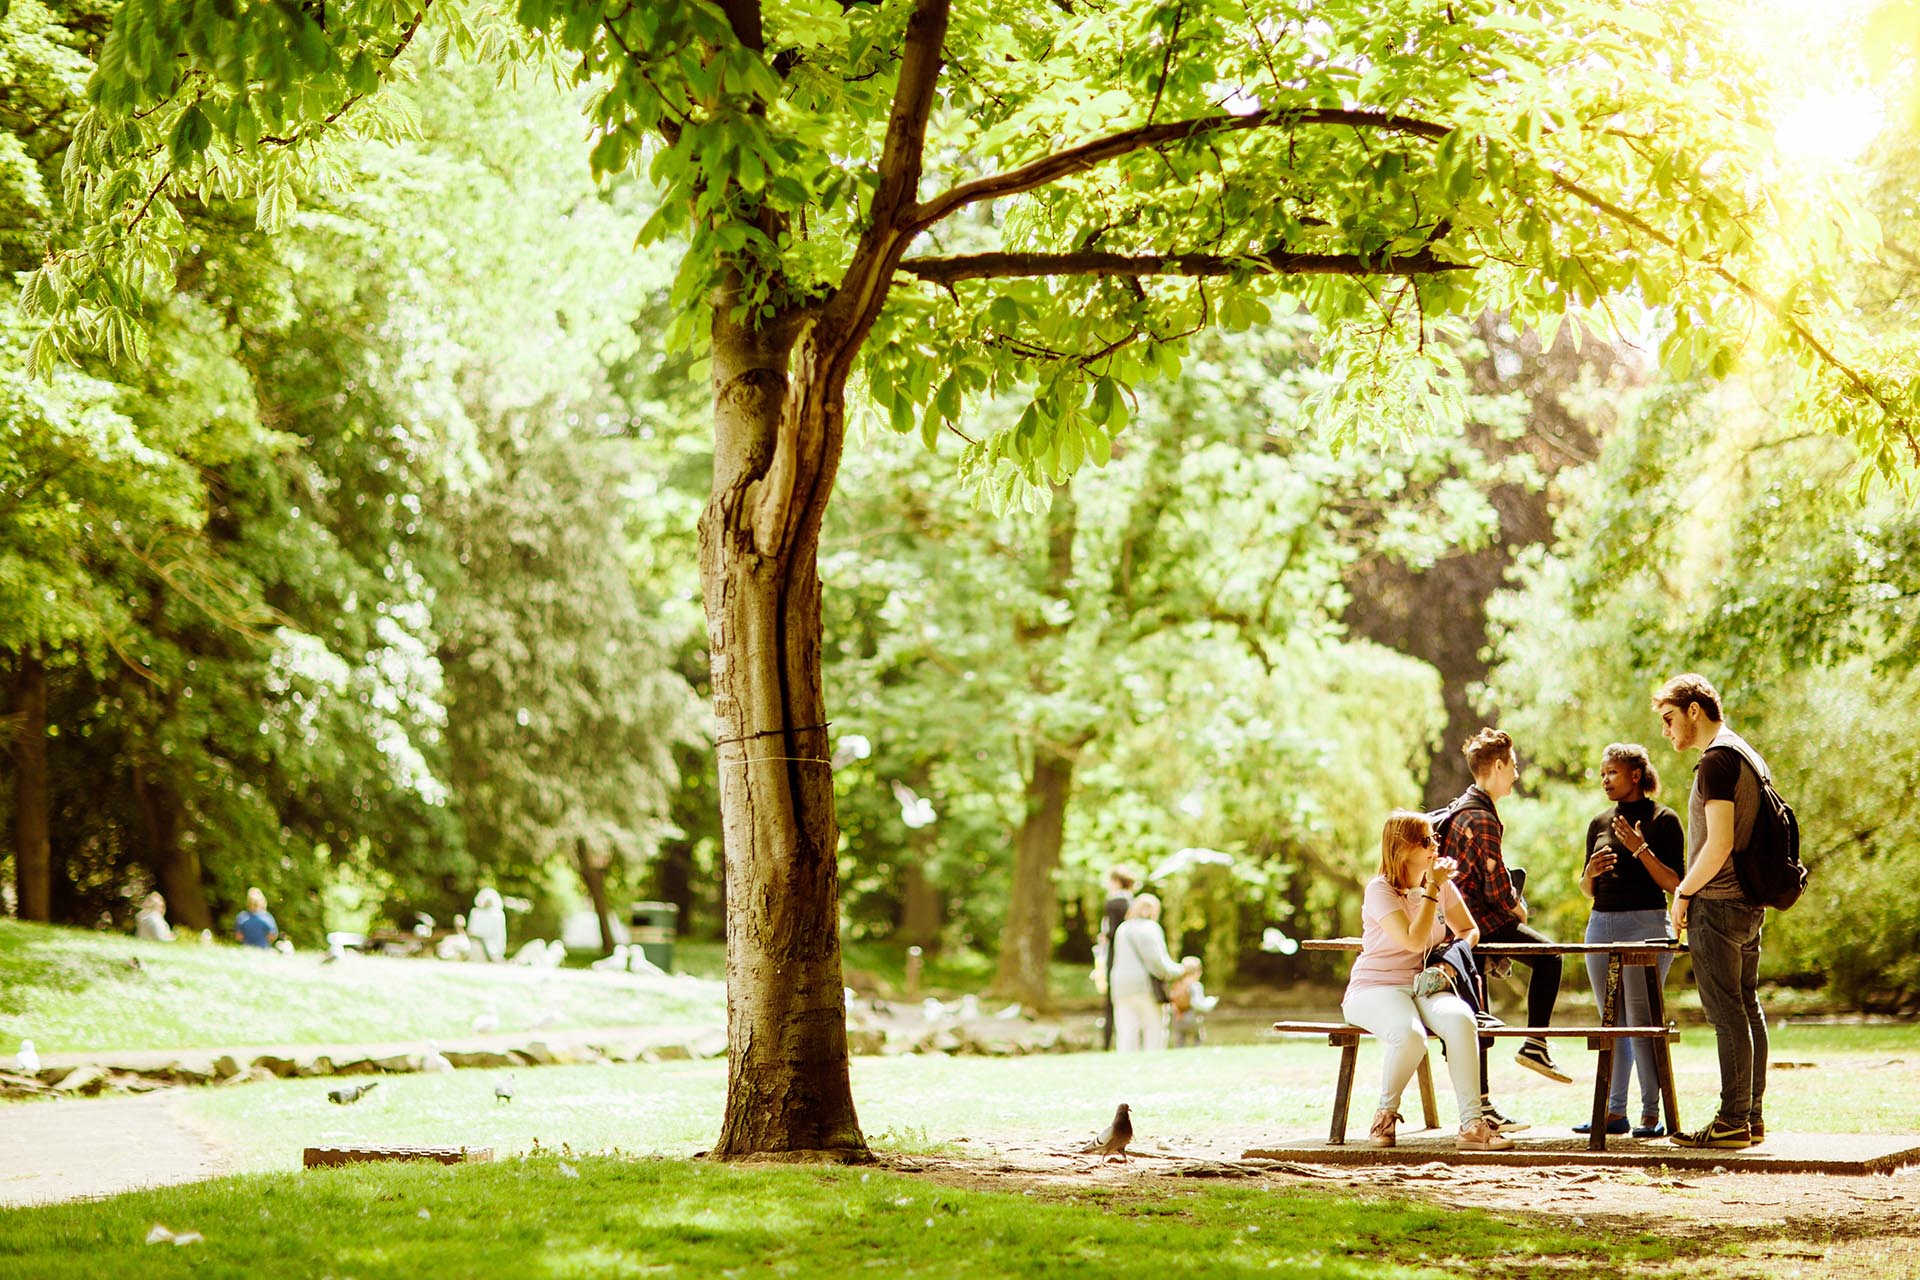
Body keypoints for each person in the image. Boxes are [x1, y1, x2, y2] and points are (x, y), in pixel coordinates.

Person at [1343, 809, 1513, 1151]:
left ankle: (1471, 1126)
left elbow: (1468, 929)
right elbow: (1411, 939)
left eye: (1435, 837)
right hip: (1376, 987)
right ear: (1402, 848)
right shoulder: (1381, 890)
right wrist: (1433, 886)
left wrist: (1449, 963)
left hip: (1425, 984)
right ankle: (1385, 1115)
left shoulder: (1440, 886)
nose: (1436, 844)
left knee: (1462, 1019)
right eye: (1426, 840)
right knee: (1409, 1037)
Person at [1653, 674, 1771, 1149]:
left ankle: (1733, 1120)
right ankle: (1751, 1118)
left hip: (1719, 904)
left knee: (1728, 1014)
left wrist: (1683, 893)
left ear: (1694, 711)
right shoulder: (1747, 753)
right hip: (1747, 902)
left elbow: (1720, 842)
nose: (1666, 731)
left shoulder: (1718, 761)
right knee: (1747, 1007)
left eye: (1669, 719)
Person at [1439, 727, 1570, 1135]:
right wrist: (1518, 905)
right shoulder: (1482, 817)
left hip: (1458, 929)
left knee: (1477, 1015)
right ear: (1497, 766)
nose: (1516, 773)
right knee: (1550, 959)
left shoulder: (1462, 807)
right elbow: (1495, 891)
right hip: (1480, 926)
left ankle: (1481, 1107)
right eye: (1513, 765)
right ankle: (1535, 1046)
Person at [1575, 742, 1685, 1139]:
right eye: (1602, 773)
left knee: (1641, 1021)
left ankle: (1651, 1115)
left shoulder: (1664, 819)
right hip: (1601, 924)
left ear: (1635, 775)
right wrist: (1589, 872)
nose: (1605, 780)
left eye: (1612, 773)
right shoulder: (1599, 822)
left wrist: (1640, 849)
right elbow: (1587, 890)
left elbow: (1675, 884)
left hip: (1646, 924)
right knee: (1610, 1020)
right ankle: (1612, 1112)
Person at [1108, 893, 1184, 1053]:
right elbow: (1156, 962)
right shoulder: (1150, 928)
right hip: (1144, 987)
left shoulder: (1122, 928)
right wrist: (1180, 970)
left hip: (1120, 986)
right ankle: (1152, 1062)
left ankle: (1126, 1065)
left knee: (1127, 1030)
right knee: (1154, 1028)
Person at [1092, 866, 1139, 1051]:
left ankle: (1108, 1042)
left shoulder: (1115, 903)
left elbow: (1112, 932)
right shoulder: (1132, 902)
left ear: (1117, 882)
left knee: (1111, 1002)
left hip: (1117, 956)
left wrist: (1104, 937)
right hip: (1132, 959)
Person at [1168, 955, 1218, 1048]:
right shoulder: (1195, 985)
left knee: (1180, 1040)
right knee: (1198, 1036)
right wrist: (1210, 1002)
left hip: (1177, 1018)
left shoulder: (1177, 984)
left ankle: (1179, 1052)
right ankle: (1197, 1050)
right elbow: (1197, 1003)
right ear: (1198, 972)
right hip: (1191, 1017)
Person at [467, 888, 508, 963]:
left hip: (493, 946)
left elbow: (500, 936)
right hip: (476, 945)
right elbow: (470, 932)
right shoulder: (475, 913)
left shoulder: (498, 915)